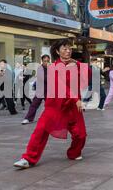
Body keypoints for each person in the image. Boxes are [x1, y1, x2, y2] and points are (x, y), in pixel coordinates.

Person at [13, 39, 89, 169]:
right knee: (41, 130)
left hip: (72, 106)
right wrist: (76, 99)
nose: (68, 50)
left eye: (69, 48)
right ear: (57, 51)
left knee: (80, 135)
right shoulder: (53, 68)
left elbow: (88, 75)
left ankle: (73, 152)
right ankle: (28, 158)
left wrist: (77, 63)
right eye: (64, 48)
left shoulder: (75, 65)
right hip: (55, 105)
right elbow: (61, 87)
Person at [22, 55, 50, 125]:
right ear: (42, 61)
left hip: (49, 90)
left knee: (50, 105)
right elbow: (45, 78)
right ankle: (28, 118)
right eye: (45, 61)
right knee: (34, 104)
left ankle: (51, 118)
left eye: (47, 61)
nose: (46, 62)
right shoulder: (40, 68)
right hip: (40, 90)